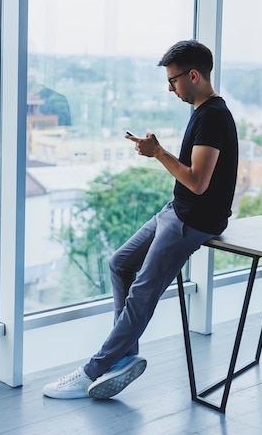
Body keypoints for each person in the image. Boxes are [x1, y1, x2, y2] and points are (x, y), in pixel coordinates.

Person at [43, 40, 238, 398]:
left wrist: (158, 152)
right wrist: (158, 152)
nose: (169, 88)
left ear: (193, 75)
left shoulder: (213, 116)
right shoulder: (203, 112)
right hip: (176, 211)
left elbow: (197, 182)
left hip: (193, 221)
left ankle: (93, 370)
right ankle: (124, 355)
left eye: (173, 80)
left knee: (142, 293)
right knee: (119, 263)